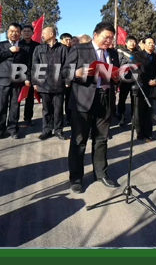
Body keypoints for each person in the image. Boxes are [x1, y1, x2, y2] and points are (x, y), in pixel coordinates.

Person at [61, 22, 120, 194]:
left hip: (105, 99)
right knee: (79, 140)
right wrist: (77, 73)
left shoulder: (113, 52)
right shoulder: (80, 49)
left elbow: (113, 74)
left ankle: (101, 173)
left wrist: (118, 76)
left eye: (111, 38)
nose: (109, 41)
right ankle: (76, 178)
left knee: (101, 139)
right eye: (106, 37)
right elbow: (65, 71)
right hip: (83, 100)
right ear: (95, 35)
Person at [0, 23, 31, 139]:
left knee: (15, 106)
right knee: (1, 106)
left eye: (17, 31)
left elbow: (28, 64)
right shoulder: (0, 45)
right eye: (11, 31)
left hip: (18, 80)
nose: (14, 33)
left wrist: (28, 78)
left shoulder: (24, 48)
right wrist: (9, 51)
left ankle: (13, 128)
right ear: (7, 32)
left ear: (20, 33)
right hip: (3, 80)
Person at [32, 27, 68, 141]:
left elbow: (67, 65)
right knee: (46, 109)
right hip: (44, 84)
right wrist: (35, 82)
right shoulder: (39, 48)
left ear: (51, 34)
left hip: (58, 84)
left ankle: (58, 130)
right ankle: (46, 130)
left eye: (44, 34)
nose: (42, 36)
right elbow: (35, 65)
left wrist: (67, 80)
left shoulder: (63, 48)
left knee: (58, 109)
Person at [132, 36, 156, 141]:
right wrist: (146, 80)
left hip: (153, 88)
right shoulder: (137, 55)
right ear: (143, 44)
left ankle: (148, 133)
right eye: (149, 43)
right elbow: (136, 71)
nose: (151, 44)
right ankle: (140, 133)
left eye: (153, 43)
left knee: (150, 112)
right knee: (139, 112)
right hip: (141, 87)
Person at [19, 25, 41, 126]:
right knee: (17, 98)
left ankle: (28, 118)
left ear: (32, 33)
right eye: (24, 31)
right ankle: (13, 120)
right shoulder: (18, 44)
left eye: (29, 31)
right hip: (18, 73)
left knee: (30, 98)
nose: (26, 33)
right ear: (21, 33)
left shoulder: (37, 45)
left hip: (32, 73)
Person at [117, 35, 139, 126]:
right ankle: (121, 117)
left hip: (135, 79)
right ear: (126, 43)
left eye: (134, 41)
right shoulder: (121, 52)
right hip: (124, 79)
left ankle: (134, 117)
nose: (132, 43)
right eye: (130, 41)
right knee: (122, 99)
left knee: (135, 100)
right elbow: (118, 65)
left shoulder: (138, 53)